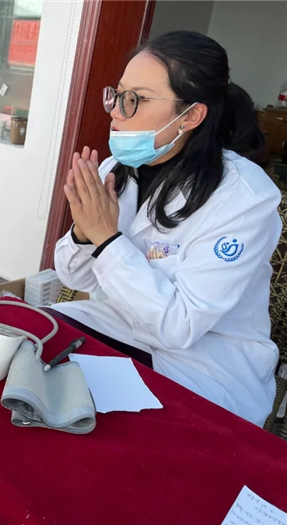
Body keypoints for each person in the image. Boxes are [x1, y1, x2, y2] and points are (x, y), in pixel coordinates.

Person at [52, 31, 281, 427]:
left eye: (134, 100)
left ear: (191, 114)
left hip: (206, 365)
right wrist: (86, 233)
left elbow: (180, 328)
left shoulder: (244, 198)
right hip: (124, 327)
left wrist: (107, 240)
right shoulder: (115, 171)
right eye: (117, 95)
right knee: (34, 338)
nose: (115, 113)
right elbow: (72, 273)